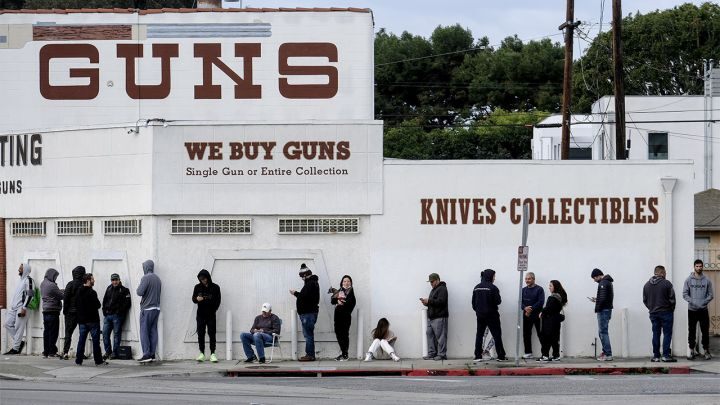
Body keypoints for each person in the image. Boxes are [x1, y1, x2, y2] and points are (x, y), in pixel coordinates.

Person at [472, 269, 507, 362]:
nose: (494, 278)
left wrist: (478, 311)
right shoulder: (493, 288)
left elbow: (473, 303)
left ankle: (478, 355)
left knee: (479, 335)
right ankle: (501, 356)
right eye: (494, 276)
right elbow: (498, 301)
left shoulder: (476, 287)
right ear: (490, 276)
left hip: (480, 315)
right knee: (497, 335)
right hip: (492, 315)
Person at [643, 265, 677, 362]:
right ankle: (666, 355)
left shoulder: (646, 285)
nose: (666, 273)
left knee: (656, 334)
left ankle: (656, 356)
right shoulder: (667, 284)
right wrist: (671, 310)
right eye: (665, 272)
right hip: (666, 312)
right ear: (661, 272)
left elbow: (645, 300)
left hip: (653, 313)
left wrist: (651, 308)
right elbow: (672, 299)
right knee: (667, 334)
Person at [683, 259, 714, 360]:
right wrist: (693, 302)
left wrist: (703, 303)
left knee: (705, 331)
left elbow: (711, 295)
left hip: (703, 310)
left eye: (700, 266)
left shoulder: (707, 280)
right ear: (694, 267)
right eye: (697, 266)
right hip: (692, 310)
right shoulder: (688, 280)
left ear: (702, 267)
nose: (699, 268)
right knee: (691, 331)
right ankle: (691, 350)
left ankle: (706, 351)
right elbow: (685, 294)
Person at [290, 263, 319, 361]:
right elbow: (306, 297)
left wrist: (295, 293)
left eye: (302, 276)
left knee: (308, 335)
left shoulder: (310, 284)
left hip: (308, 314)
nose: (301, 278)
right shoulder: (311, 283)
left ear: (305, 275)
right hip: (308, 313)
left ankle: (310, 355)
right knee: (308, 334)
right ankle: (310, 354)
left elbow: (304, 297)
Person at [75, 273, 106, 366]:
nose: (94, 280)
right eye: (92, 279)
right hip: (93, 320)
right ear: (88, 280)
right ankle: (98, 360)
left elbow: (76, 305)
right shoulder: (92, 292)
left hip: (82, 321)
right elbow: (98, 305)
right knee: (96, 342)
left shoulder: (78, 291)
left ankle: (78, 360)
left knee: (81, 341)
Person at [3, 263, 34, 355]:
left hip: (22, 308)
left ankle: (16, 348)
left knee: (19, 328)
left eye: (20, 268)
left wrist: (24, 307)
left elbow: (31, 295)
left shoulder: (29, 280)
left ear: (25, 269)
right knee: (7, 324)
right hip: (14, 308)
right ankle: (19, 343)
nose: (18, 269)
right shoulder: (21, 280)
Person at [192, 269, 221, 363]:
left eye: (204, 278)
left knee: (212, 333)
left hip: (211, 315)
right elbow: (193, 299)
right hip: (200, 315)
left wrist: (214, 309)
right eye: (201, 279)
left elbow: (218, 300)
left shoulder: (215, 287)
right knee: (200, 333)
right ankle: (202, 353)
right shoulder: (197, 287)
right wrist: (197, 299)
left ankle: (213, 353)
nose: (203, 280)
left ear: (208, 277)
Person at [101, 273, 131, 360]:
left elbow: (127, 303)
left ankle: (115, 353)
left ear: (119, 280)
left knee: (116, 335)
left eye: (116, 280)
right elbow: (104, 300)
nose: (114, 282)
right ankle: (108, 352)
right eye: (113, 280)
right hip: (108, 316)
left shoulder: (125, 290)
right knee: (105, 334)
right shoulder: (109, 288)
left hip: (117, 316)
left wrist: (119, 311)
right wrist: (104, 311)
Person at [137, 259, 162, 363]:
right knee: (153, 331)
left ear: (146, 267)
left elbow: (139, 292)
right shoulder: (158, 279)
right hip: (156, 309)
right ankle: (152, 354)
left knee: (144, 331)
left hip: (147, 309)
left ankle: (146, 354)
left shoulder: (146, 278)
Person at [60, 265, 86, 360]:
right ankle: (81, 353)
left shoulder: (70, 284)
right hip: (81, 313)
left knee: (68, 333)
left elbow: (66, 298)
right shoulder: (84, 285)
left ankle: (66, 352)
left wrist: (65, 310)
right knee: (82, 334)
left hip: (70, 312)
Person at [421, 272, 448, 360]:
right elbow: (434, 303)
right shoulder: (434, 290)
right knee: (429, 334)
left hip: (439, 317)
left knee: (441, 337)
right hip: (432, 317)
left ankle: (442, 354)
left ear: (437, 280)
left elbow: (441, 302)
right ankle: (432, 353)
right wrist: (426, 303)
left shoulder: (442, 289)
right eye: (430, 282)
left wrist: (429, 301)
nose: (431, 284)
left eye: (432, 282)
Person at [538, 280, 567, 362]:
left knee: (546, 339)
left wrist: (542, 312)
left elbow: (548, 308)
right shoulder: (559, 297)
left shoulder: (552, 297)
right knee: (554, 339)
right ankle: (556, 356)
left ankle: (545, 356)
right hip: (556, 321)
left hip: (549, 321)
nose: (549, 287)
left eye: (551, 286)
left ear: (555, 287)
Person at [590, 268, 614, 361]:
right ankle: (606, 352)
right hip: (606, 309)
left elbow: (603, 299)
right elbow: (604, 297)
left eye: (594, 278)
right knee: (603, 332)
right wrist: (597, 299)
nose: (594, 280)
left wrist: (598, 307)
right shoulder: (607, 282)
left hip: (603, 310)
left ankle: (608, 354)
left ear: (598, 275)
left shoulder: (603, 283)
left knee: (603, 332)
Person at [331, 275, 356, 361]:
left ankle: (345, 354)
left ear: (351, 282)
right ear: (342, 282)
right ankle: (343, 353)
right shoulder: (339, 290)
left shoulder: (351, 292)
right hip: (337, 316)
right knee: (338, 334)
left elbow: (351, 304)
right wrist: (337, 300)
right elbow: (332, 300)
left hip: (345, 317)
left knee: (344, 335)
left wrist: (342, 303)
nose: (346, 283)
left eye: (348, 281)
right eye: (344, 281)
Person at [41, 268, 64, 358]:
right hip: (53, 311)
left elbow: (54, 293)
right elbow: (61, 296)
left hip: (45, 310)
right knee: (53, 332)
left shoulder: (43, 283)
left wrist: (59, 290)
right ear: (51, 275)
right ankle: (52, 351)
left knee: (46, 332)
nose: (55, 278)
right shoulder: (52, 285)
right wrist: (65, 291)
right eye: (55, 276)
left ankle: (46, 351)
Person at [521, 272, 544, 359]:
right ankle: (528, 352)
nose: (527, 280)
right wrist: (525, 308)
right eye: (526, 279)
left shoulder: (539, 289)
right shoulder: (523, 290)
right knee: (526, 334)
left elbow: (540, 302)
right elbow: (520, 302)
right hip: (526, 315)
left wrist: (530, 309)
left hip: (537, 315)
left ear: (533, 279)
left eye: (529, 279)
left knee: (541, 333)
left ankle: (544, 353)